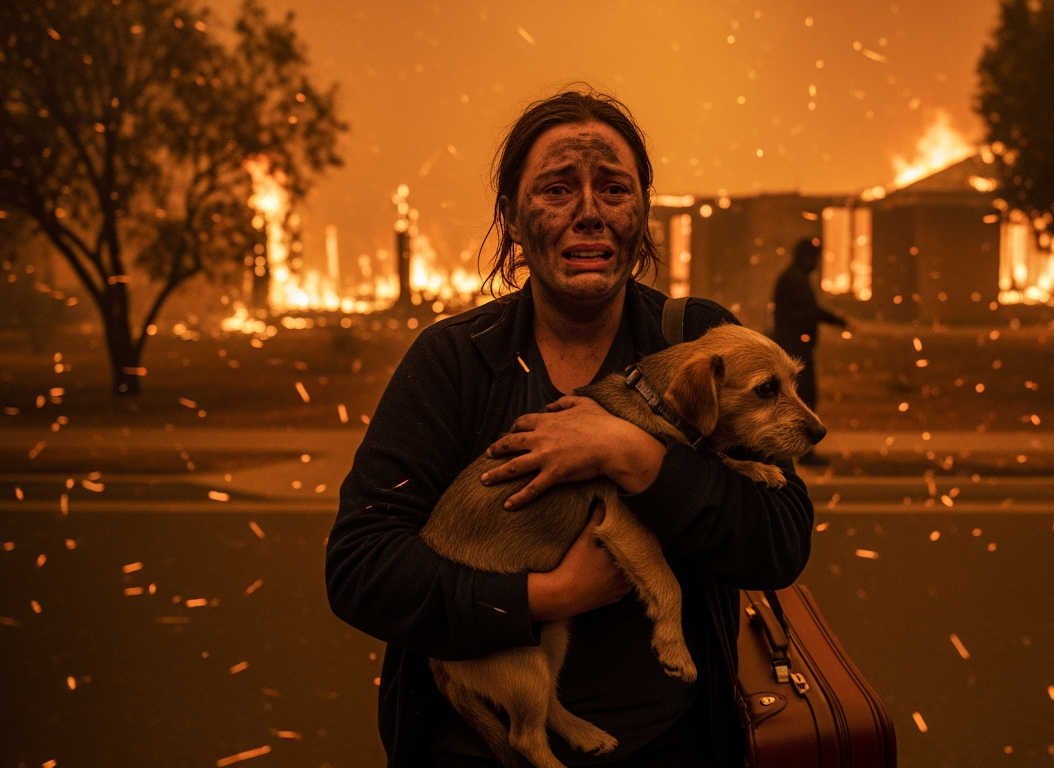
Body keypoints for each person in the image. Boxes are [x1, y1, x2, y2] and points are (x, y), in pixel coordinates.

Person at [325, 89, 814, 768]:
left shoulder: (700, 340)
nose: (588, 211)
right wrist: (545, 596)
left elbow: (780, 544)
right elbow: (362, 568)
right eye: (557, 188)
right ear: (512, 219)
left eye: (614, 188)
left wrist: (636, 456)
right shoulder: (456, 361)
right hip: (472, 753)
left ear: (642, 213)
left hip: (672, 747)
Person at [771, 238, 847, 465]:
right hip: (795, 349)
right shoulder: (795, 279)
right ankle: (803, 451)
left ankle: (797, 450)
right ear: (807, 257)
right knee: (804, 398)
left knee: (798, 397)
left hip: (793, 346)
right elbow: (809, 310)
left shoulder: (794, 277)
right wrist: (838, 320)